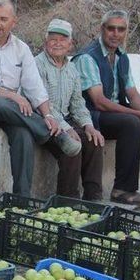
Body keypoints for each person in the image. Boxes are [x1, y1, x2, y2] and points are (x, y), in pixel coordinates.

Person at [0, 0, 80, 197]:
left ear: (14, 22)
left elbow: (35, 87)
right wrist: (13, 96)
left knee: (23, 134)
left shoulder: (21, 49)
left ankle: (21, 199)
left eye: (3, 19)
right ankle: (51, 136)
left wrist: (49, 116)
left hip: (7, 110)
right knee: (0, 103)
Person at [72, 9, 140, 204]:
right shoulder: (88, 57)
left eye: (121, 29)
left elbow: (132, 93)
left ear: (126, 31)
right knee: (131, 122)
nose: (115, 34)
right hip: (92, 116)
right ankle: (122, 190)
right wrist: (138, 115)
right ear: (102, 29)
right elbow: (99, 101)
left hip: (114, 113)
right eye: (111, 28)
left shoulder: (121, 57)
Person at [35, 19, 105, 200]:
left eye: (62, 39)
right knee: (72, 145)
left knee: (93, 139)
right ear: (45, 41)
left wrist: (88, 125)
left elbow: (78, 103)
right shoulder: (37, 65)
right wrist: (67, 128)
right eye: (53, 39)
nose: (57, 43)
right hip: (42, 119)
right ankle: (67, 201)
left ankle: (93, 198)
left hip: (65, 118)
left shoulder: (72, 68)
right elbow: (42, 102)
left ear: (70, 44)